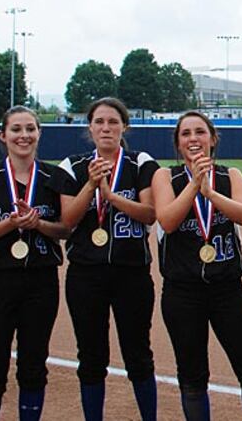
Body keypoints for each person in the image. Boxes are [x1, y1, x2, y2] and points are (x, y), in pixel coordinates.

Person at [151, 111, 242, 420]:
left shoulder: (230, 175)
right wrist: (194, 185)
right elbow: (167, 220)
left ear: (212, 139)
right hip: (182, 292)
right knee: (192, 377)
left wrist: (210, 192)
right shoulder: (166, 177)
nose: (193, 139)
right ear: (178, 143)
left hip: (227, 289)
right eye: (186, 134)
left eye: (200, 132)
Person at [0, 106, 70, 420]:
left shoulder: (54, 177)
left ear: (39, 133)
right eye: (17, 129)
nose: (24, 136)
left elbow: (65, 229)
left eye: (31, 129)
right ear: (3, 135)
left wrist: (38, 225)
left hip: (40, 281)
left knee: (33, 365)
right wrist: (9, 223)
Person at [48, 97, 159, 421]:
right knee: (91, 355)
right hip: (86, 273)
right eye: (99, 122)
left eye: (113, 122)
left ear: (124, 126)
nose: (106, 128)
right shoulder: (73, 166)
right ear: (90, 128)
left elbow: (150, 213)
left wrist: (110, 196)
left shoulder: (140, 162)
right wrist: (92, 185)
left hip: (132, 272)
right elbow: (67, 221)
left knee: (138, 353)